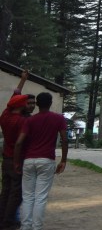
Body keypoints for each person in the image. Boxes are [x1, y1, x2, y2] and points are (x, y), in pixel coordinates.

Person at [13, 92, 67, 230]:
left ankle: (25, 226)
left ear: (37, 104)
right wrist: (63, 160)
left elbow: (19, 143)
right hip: (46, 160)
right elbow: (64, 140)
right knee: (40, 197)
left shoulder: (29, 120)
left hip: (29, 160)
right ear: (50, 103)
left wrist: (17, 162)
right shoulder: (58, 119)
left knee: (28, 196)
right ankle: (37, 227)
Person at [0, 95, 29, 228]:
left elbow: (13, 97)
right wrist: (17, 162)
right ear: (21, 106)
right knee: (16, 193)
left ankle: (1, 218)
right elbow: (19, 143)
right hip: (16, 159)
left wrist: (22, 80)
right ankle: (8, 221)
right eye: (26, 103)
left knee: (5, 190)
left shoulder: (4, 116)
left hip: (5, 159)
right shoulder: (22, 121)